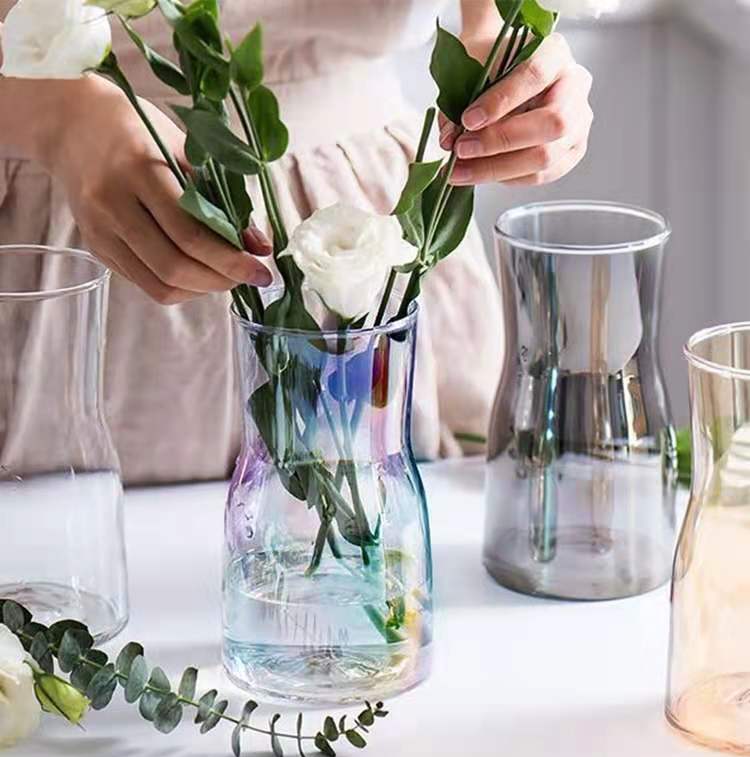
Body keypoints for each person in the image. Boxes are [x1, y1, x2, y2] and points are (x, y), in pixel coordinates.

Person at [0, 0, 593, 484]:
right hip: (68, 243)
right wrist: (60, 116)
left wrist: (503, 47)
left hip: (370, 230)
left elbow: (492, 24)